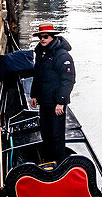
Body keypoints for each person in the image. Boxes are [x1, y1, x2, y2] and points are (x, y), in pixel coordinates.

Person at [30, 23, 76, 162]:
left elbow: (68, 80)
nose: (42, 39)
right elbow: (37, 75)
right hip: (44, 101)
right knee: (46, 133)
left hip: (57, 103)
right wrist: (34, 94)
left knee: (57, 135)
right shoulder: (40, 52)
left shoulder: (62, 55)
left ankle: (60, 164)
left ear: (52, 37)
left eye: (45, 37)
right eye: (40, 37)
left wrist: (61, 102)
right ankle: (48, 162)